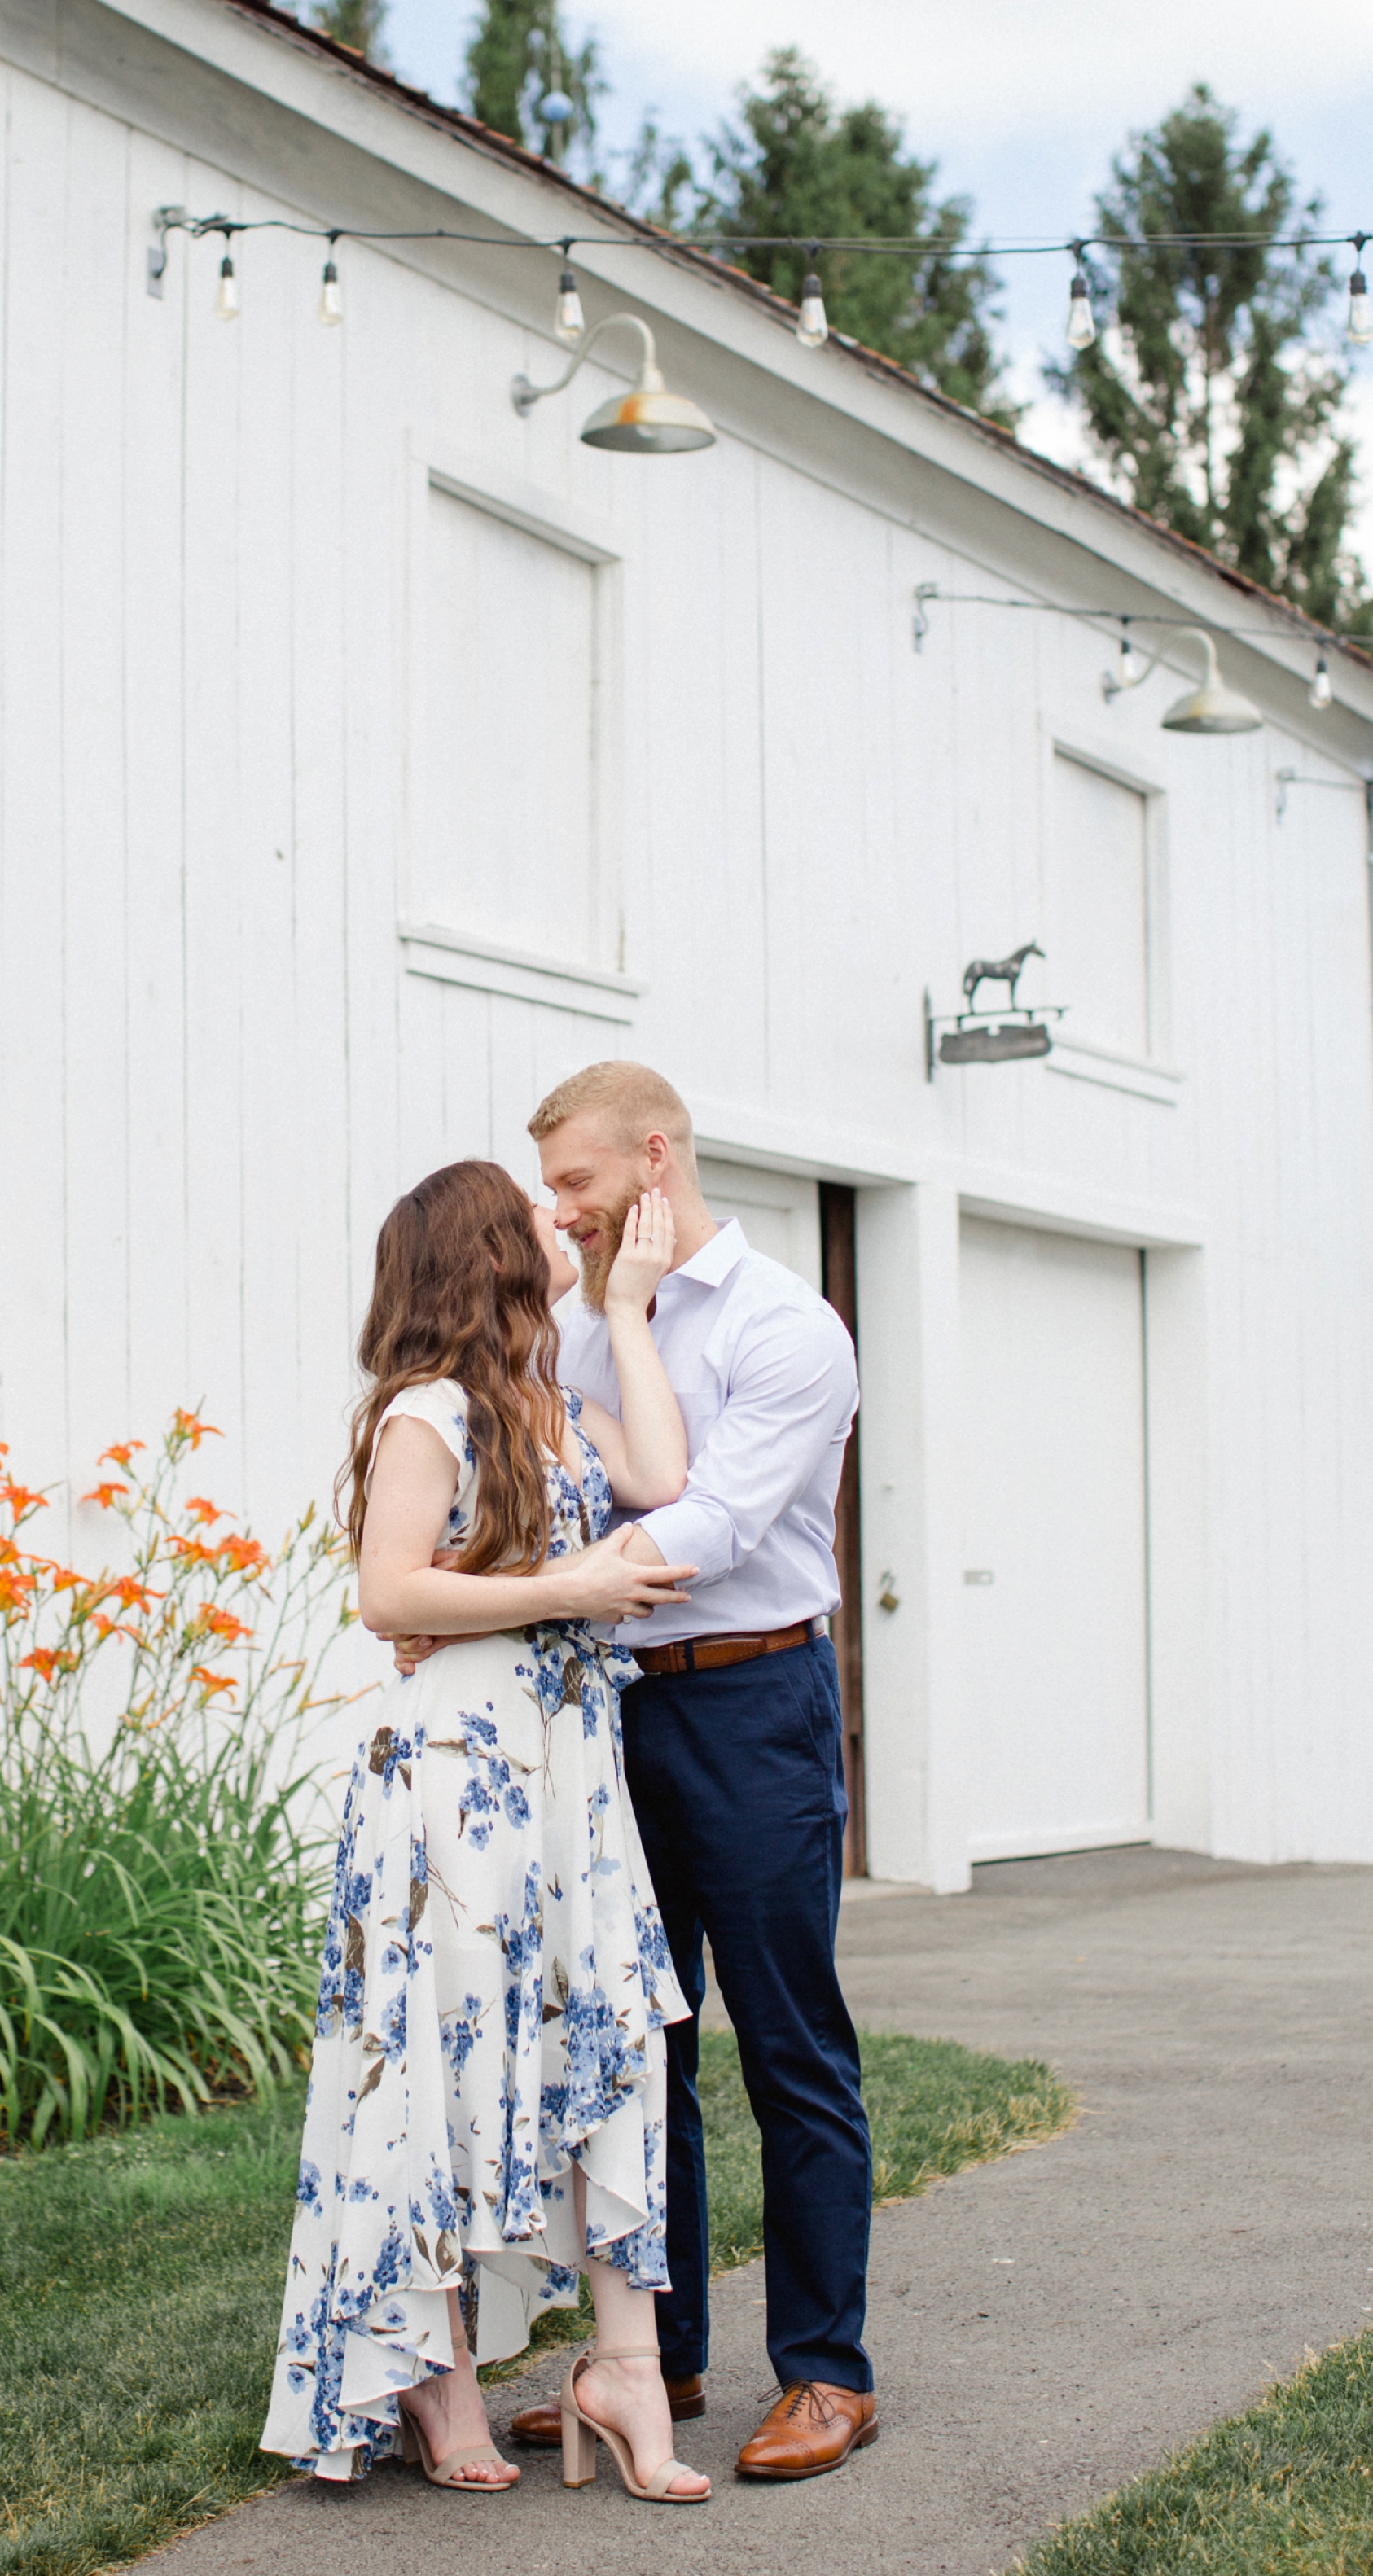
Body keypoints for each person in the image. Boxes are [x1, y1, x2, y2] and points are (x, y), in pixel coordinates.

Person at [261, 1157, 714, 2503]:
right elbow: (385, 1588)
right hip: (458, 1780)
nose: (557, 1220)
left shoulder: (549, 1403)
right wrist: (573, 1582)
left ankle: (624, 2366)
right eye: (533, 1215)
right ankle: (432, 2370)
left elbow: (665, 1470)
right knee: (443, 2062)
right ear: (484, 1252)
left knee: (602, 2032)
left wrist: (627, 1308)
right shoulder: (430, 1411)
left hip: (569, 1773)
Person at [507, 1060, 879, 2484]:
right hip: (616, 1710)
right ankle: (653, 2361)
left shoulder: (791, 1326)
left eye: (579, 1184)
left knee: (791, 2046)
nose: (563, 1210)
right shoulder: (586, 1325)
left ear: (653, 1161)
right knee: (640, 2050)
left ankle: (826, 2372)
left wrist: (535, 1593)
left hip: (756, 1705)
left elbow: (707, 1524)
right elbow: (545, 1497)